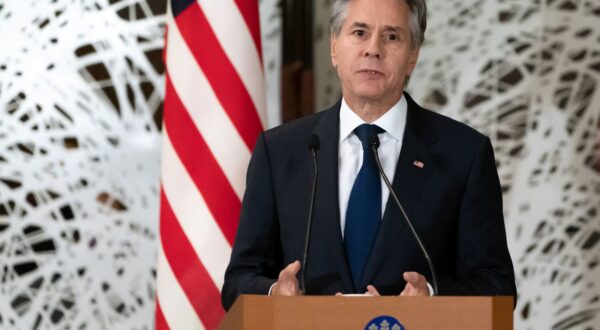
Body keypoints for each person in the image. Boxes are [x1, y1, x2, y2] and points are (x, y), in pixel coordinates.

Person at [221, 0, 516, 311]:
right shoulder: (280, 152)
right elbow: (239, 280)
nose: (373, 49)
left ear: (412, 54)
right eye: (360, 32)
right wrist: (273, 295)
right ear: (334, 46)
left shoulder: (463, 154)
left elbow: (498, 289)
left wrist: (432, 298)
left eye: (391, 37)